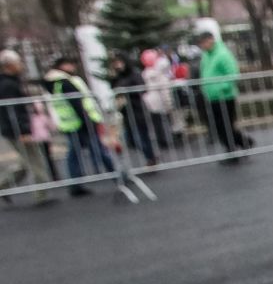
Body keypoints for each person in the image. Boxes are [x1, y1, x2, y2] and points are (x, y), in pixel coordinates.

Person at [44, 53, 115, 189]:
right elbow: (77, 103)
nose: (73, 66)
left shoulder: (55, 83)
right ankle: (116, 174)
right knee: (97, 149)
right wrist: (87, 120)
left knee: (75, 153)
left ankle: (75, 184)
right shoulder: (65, 82)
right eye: (70, 63)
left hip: (70, 123)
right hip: (80, 122)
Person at [0, 50, 55, 207]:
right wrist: (23, 131)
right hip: (17, 131)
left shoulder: (10, 82)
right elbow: (13, 111)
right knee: (36, 162)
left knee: (26, 163)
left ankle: (3, 186)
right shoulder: (8, 85)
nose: (21, 65)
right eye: (18, 62)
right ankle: (41, 197)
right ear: (9, 65)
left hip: (13, 130)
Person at [194, 29, 249, 163]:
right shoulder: (207, 56)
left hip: (225, 96)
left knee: (225, 125)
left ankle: (232, 151)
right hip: (212, 97)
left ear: (210, 40)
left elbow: (233, 73)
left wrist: (221, 87)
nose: (202, 46)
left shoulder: (222, 54)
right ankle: (241, 143)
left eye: (203, 43)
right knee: (219, 126)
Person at [107, 52, 157, 167]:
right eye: (115, 63)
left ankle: (151, 157)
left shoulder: (134, 73)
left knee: (142, 137)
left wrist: (127, 92)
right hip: (125, 112)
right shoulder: (118, 76)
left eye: (119, 62)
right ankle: (150, 156)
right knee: (131, 139)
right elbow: (114, 88)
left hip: (137, 109)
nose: (118, 65)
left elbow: (142, 88)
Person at [140, 49, 176, 151]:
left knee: (157, 123)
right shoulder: (159, 74)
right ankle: (167, 139)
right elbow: (165, 89)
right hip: (159, 102)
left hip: (149, 102)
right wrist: (169, 103)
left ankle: (162, 140)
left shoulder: (145, 74)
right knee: (164, 121)